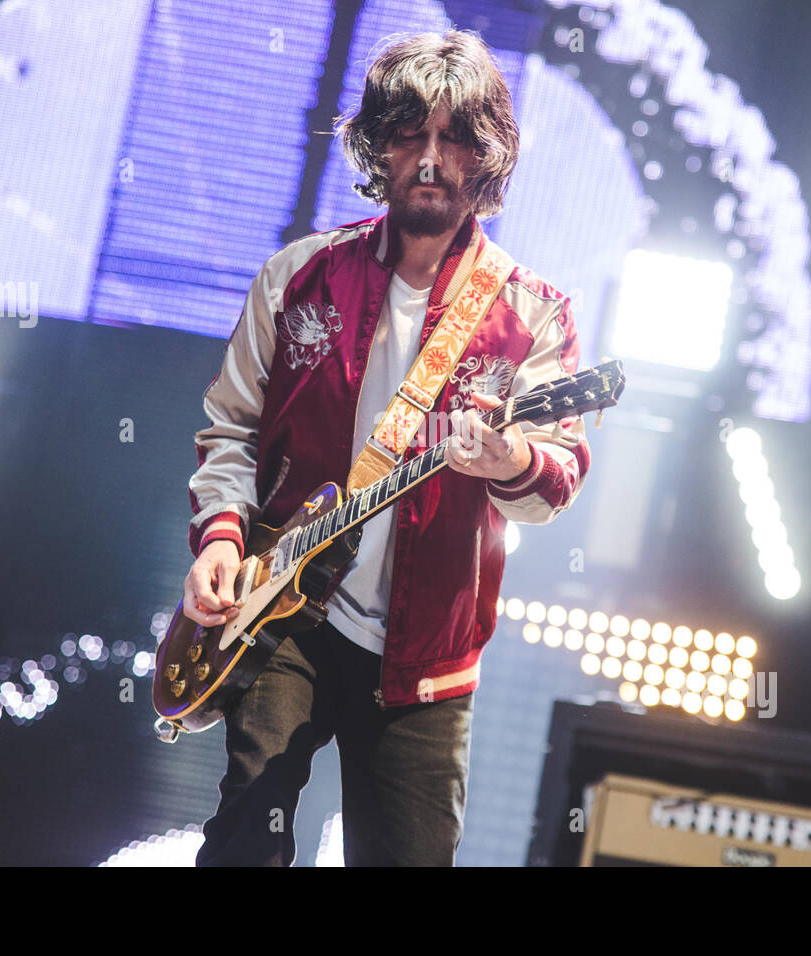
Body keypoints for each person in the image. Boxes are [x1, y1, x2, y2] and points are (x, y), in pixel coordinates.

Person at [183, 29, 590, 866]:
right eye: (410, 133)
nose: (432, 159)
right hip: (283, 612)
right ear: (377, 146)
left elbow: (555, 480)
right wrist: (222, 538)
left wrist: (508, 462)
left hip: (426, 658)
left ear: (488, 158)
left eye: (456, 138)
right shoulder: (300, 275)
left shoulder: (533, 315)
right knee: (242, 846)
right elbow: (230, 427)